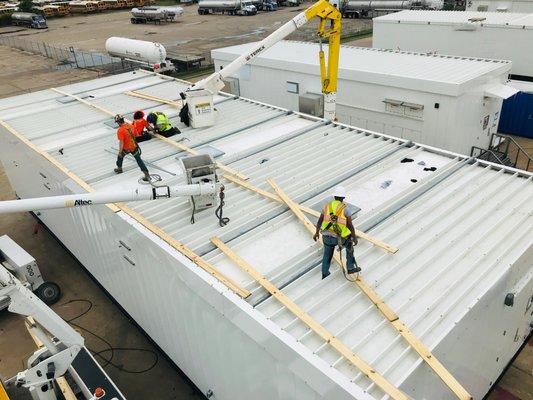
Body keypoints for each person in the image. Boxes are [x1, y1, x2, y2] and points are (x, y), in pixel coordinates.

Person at [313, 186, 361, 279]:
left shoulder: (327, 206)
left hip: (326, 237)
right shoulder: (345, 208)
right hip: (338, 238)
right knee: (349, 246)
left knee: (327, 255)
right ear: (343, 198)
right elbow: (349, 225)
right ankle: (350, 267)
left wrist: (316, 233)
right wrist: (354, 237)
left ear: (334, 196)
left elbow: (319, 221)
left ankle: (325, 273)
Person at [113, 114, 150, 182]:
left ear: (118, 122)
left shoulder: (120, 130)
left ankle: (119, 168)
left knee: (120, 157)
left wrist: (120, 152)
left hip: (126, 148)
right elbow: (136, 135)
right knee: (139, 161)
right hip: (134, 147)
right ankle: (147, 175)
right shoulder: (131, 126)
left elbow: (121, 142)